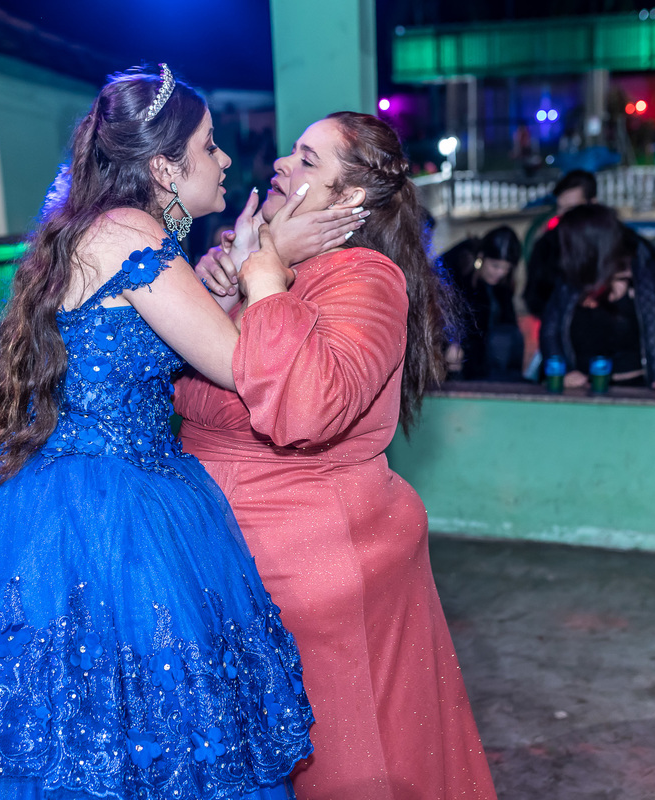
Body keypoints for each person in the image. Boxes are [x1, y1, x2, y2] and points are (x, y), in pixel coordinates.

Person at [0, 66, 321, 800]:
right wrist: (269, 269)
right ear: (164, 167)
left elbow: (161, 333)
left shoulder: (102, 228)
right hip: (107, 509)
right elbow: (239, 366)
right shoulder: (131, 232)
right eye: (209, 144)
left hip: (77, 485)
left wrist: (226, 276)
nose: (225, 158)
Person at [179, 112, 498, 800]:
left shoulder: (366, 278)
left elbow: (308, 409)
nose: (281, 165)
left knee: (341, 762)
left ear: (349, 197)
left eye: (307, 160)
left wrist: (266, 281)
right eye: (289, 154)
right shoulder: (254, 259)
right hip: (218, 543)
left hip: (305, 552)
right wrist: (221, 290)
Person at [540, 204, 655, 392]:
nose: (563, 250)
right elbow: (550, 332)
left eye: (568, 243)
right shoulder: (570, 282)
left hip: (644, 391)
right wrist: (564, 371)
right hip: (584, 391)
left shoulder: (652, 274)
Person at [443, 226, 527, 381]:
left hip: (486, 365)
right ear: (481, 256)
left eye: (507, 268)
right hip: (455, 361)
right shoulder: (456, 267)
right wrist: (452, 342)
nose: (500, 273)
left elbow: (507, 324)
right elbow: (441, 310)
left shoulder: (502, 285)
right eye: (495, 265)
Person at [522, 168, 597, 321]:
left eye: (571, 208)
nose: (562, 215)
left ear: (592, 203)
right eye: (560, 208)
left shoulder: (613, 240)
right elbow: (533, 296)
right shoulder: (547, 244)